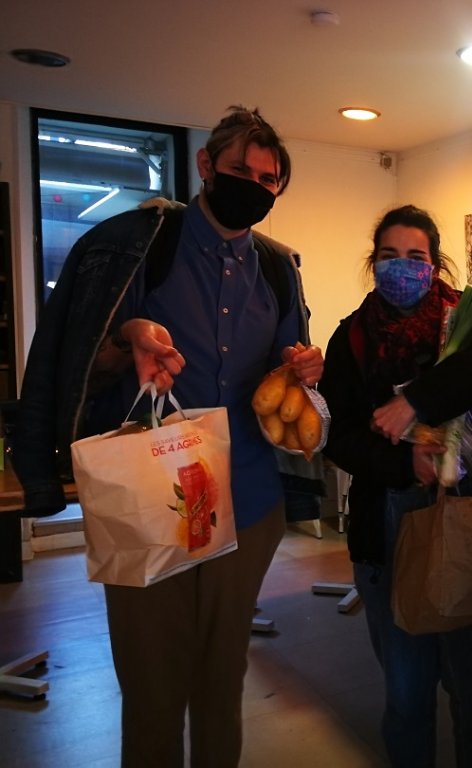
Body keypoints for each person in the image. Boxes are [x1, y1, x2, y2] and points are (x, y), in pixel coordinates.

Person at [12, 105, 324, 767]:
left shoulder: (278, 268)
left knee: (222, 678)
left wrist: (301, 369)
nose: (255, 185)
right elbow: (74, 362)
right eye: (241, 169)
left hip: (248, 500)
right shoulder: (133, 244)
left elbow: (283, 379)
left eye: (269, 180)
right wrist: (129, 340)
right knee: (152, 688)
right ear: (206, 166)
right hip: (147, 503)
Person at [318, 204, 472, 768]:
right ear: (372, 262)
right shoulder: (351, 338)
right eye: (389, 257)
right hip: (386, 527)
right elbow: (338, 437)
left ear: (436, 265)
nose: (401, 268)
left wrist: (414, 402)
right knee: (406, 696)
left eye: (416, 257)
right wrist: (407, 467)